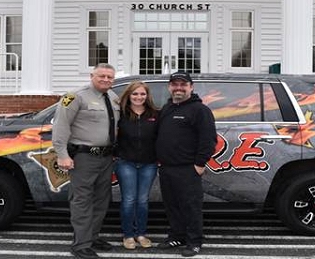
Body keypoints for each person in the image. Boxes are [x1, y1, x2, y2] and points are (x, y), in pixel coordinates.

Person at [52, 63, 119, 259]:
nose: (106, 80)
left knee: (101, 200)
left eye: (109, 77)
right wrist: (62, 154)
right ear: (92, 75)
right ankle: (80, 244)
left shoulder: (113, 97)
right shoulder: (73, 96)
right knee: (82, 200)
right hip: (84, 157)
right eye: (102, 76)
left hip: (106, 157)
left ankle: (91, 237)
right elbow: (61, 126)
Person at [155, 71, 217, 257]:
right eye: (175, 84)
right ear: (169, 87)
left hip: (188, 168)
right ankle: (177, 236)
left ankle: (194, 241)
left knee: (190, 206)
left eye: (183, 84)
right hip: (166, 168)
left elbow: (208, 140)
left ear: (191, 87)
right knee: (172, 206)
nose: (178, 88)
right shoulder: (167, 108)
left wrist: (199, 163)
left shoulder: (200, 110)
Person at [114, 81, 159, 250]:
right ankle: (128, 235)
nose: (139, 97)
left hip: (149, 163)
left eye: (142, 94)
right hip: (126, 162)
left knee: (142, 200)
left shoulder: (155, 114)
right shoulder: (120, 114)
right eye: (135, 94)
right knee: (129, 200)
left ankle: (141, 233)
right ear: (128, 95)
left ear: (147, 96)